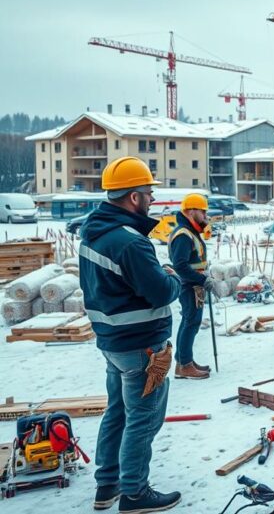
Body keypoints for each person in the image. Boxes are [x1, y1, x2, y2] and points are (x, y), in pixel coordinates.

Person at [80, 157, 183, 513]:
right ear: (134, 198)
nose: (153, 199)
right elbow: (162, 292)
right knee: (142, 419)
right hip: (142, 348)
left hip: (113, 343)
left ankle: (107, 484)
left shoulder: (94, 231)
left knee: (118, 412)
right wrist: (171, 274)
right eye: (149, 193)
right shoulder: (130, 243)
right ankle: (135, 493)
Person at [168, 194, 212, 380]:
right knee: (190, 323)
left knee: (191, 324)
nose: (205, 217)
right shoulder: (183, 235)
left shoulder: (190, 232)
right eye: (203, 212)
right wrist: (202, 280)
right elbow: (180, 266)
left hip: (194, 285)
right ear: (191, 211)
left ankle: (185, 361)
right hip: (189, 286)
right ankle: (184, 364)